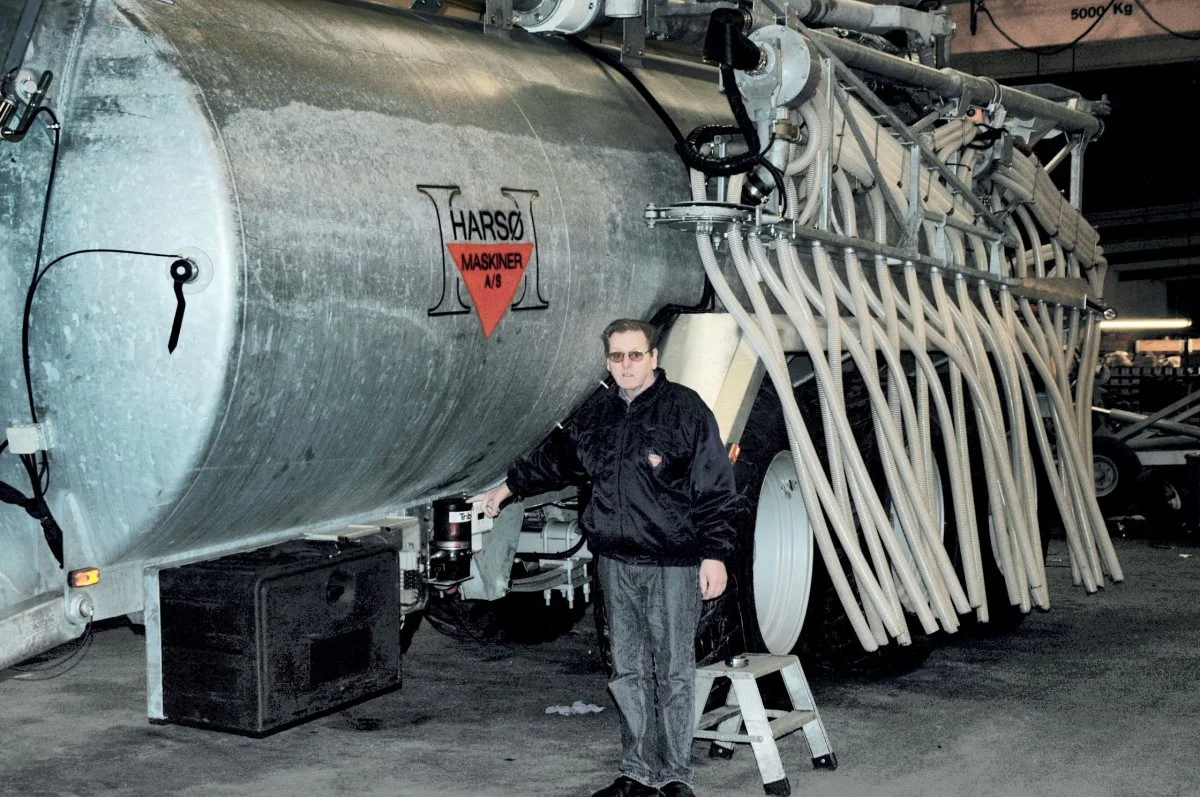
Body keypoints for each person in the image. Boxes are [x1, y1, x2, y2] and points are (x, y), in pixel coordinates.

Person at [471, 318, 737, 797]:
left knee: (674, 673)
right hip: (616, 564)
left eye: (635, 355)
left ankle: (676, 777)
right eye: (617, 357)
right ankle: (637, 773)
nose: (626, 365)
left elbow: (715, 489)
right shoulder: (597, 414)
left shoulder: (685, 411)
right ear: (607, 361)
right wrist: (505, 490)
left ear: (654, 357)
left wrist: (715, 555)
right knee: (628, 671)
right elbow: (553, 460)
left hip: (672, 565)